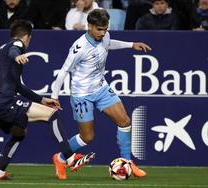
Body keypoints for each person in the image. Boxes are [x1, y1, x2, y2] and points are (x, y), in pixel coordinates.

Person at [0, 19, 95, 181]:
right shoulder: (17, 45)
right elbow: (15, 50)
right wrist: (18, 56)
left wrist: (41, 100)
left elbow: (18, 86)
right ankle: (70, 158)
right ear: (27, 37)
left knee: (19, 133)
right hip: (5, 100)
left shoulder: (0, 50)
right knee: (52, 115)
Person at [51, 9, 151, 179]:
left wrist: (131, 44)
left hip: (101, 88)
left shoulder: (104, 36)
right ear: (89, 26)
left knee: (125, 121)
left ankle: (127, 162)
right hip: (82, 94)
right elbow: (63, 71)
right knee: (87, 137)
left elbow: (109, 43)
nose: (103, 33)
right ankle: (60, 158)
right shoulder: (79, 47)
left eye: (105, 29)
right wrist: (54, 97)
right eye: (99, 29)